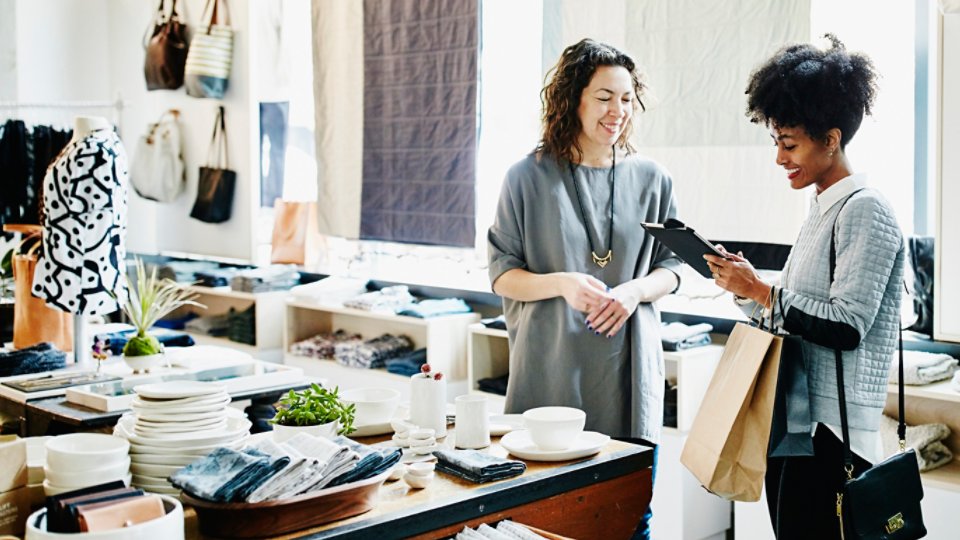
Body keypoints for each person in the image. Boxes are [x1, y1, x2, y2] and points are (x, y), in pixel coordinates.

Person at [704, 35, 904, 539]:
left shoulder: (865, 208)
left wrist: (763, 292)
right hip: (799, 423)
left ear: (831, 138)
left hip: (833, 435)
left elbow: (846, 327)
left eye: (788, 143)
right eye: (777, 141)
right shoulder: (822, 205)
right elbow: (800, 312)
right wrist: (749, 288)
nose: (779, 158)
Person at [487, 38, 682, 538]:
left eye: (626, 98)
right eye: (604, 97)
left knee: (629, 519)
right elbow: (502, 274)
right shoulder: (526, 178)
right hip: (550, 376)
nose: (618, 111)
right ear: (572, 98)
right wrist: (564, 284)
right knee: (545, 523)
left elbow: (674, 268)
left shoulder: (652, 178)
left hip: (629, 377)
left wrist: (635, 292)